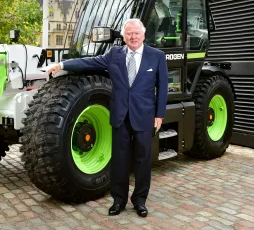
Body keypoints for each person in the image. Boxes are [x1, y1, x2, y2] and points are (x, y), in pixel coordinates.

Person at [48, 18, 168, 217]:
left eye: (137, 33)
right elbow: (89, 62)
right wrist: (62, 64)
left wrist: (159, 115)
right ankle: (118, 201)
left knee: (142, 160)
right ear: (123, 36)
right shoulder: (114, 55)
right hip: (120, 116)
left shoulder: (156, 56)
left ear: (144, 35)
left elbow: (162, 88)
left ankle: (139, 200)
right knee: (120, 161)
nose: (133, 37)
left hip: (144, 116)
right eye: (129, 33)